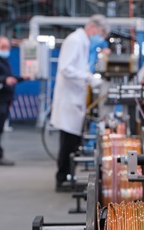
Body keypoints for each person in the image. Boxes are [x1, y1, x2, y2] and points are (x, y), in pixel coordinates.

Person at [51, 14, 110, 192]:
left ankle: (68, 176)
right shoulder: (76, 41)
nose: (99, 38)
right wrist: (89, 78)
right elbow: (66, 68)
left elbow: (78, 68)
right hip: (69, 101)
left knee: (73, 142)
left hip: (75, 99)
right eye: (100, 33)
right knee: (68, 143)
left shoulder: (82, 42)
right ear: (92, 27)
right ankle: (61, 180)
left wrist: (89, 77)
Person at [0, 37, 24, 166]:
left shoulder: (4, 61)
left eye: (7, 47)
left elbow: (10, 78)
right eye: (3, 47)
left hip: (5, 100)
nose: (6, 50)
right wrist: (4, 80)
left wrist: (22, 78)